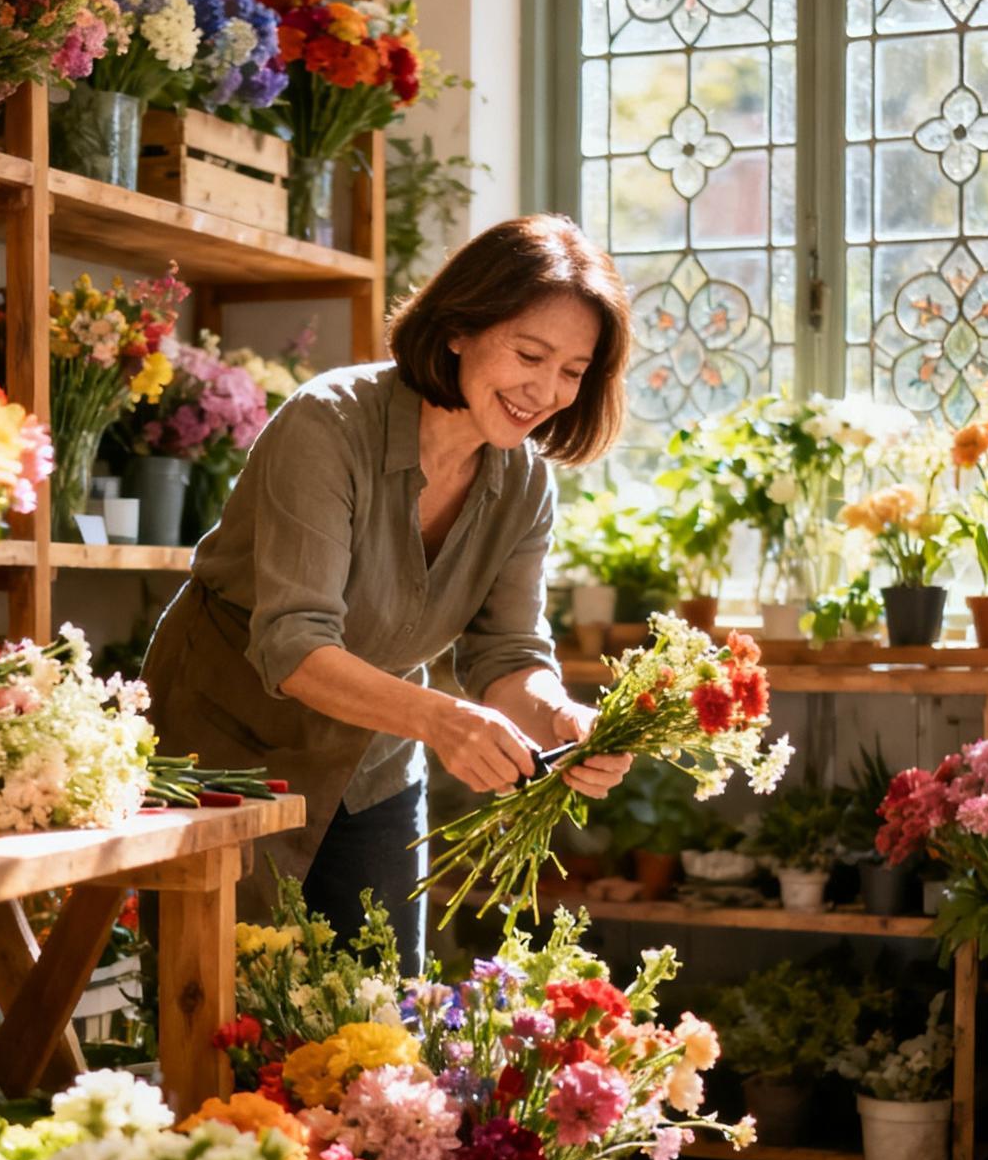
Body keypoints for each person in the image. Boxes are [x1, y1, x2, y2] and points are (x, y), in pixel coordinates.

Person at [144, 214, 633, 965]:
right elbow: (294, 645)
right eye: (530, 354)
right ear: (460, 328)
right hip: (223, 750)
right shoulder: (329, 425)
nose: (546, 390)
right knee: (214, 1012)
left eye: (573, 371)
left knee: (377, 1025)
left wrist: (560, 715)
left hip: (373, 763)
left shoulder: (524, 482)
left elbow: (507, 653)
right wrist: (445, 722)